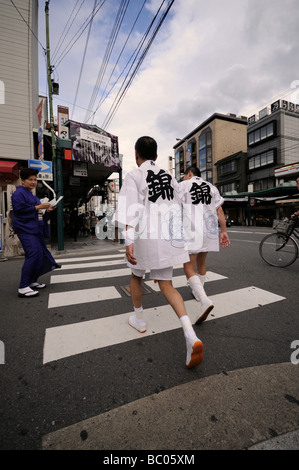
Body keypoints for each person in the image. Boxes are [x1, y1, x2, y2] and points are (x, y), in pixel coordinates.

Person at [114, 136, 203, 369]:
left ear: (136, 155)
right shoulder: (170, 178)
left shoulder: (135, 175)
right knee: (167, 285)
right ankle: (190, 334)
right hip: (168, 236)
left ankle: (140, 319)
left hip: (145, 236)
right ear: (156, 155)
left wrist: (128, 242)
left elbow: (131, 209)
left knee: (136, 276)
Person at [178, 166, 230, 324]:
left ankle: (204, 300)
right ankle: (198, 292)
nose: (184, 178)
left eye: (184, 175)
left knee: (188, 267)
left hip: (192, 230)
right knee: (202, 263)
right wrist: (224, 231)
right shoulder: (212, 188)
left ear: (190, 173)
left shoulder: (183, 186)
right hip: (210, 230)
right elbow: (219, 210)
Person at [11, 168, 61, 298]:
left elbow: (36, 211)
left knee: (39, 255)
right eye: (30, 180)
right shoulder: (18, 194)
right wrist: (39, 207)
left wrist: (47, 210)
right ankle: (23, 286)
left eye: (35, 179)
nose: (33, 182)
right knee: (33, 255)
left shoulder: (30, 194)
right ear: (23, 181)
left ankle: (31, 281)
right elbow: (20, 210)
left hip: (35, 229)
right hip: (25, 229)